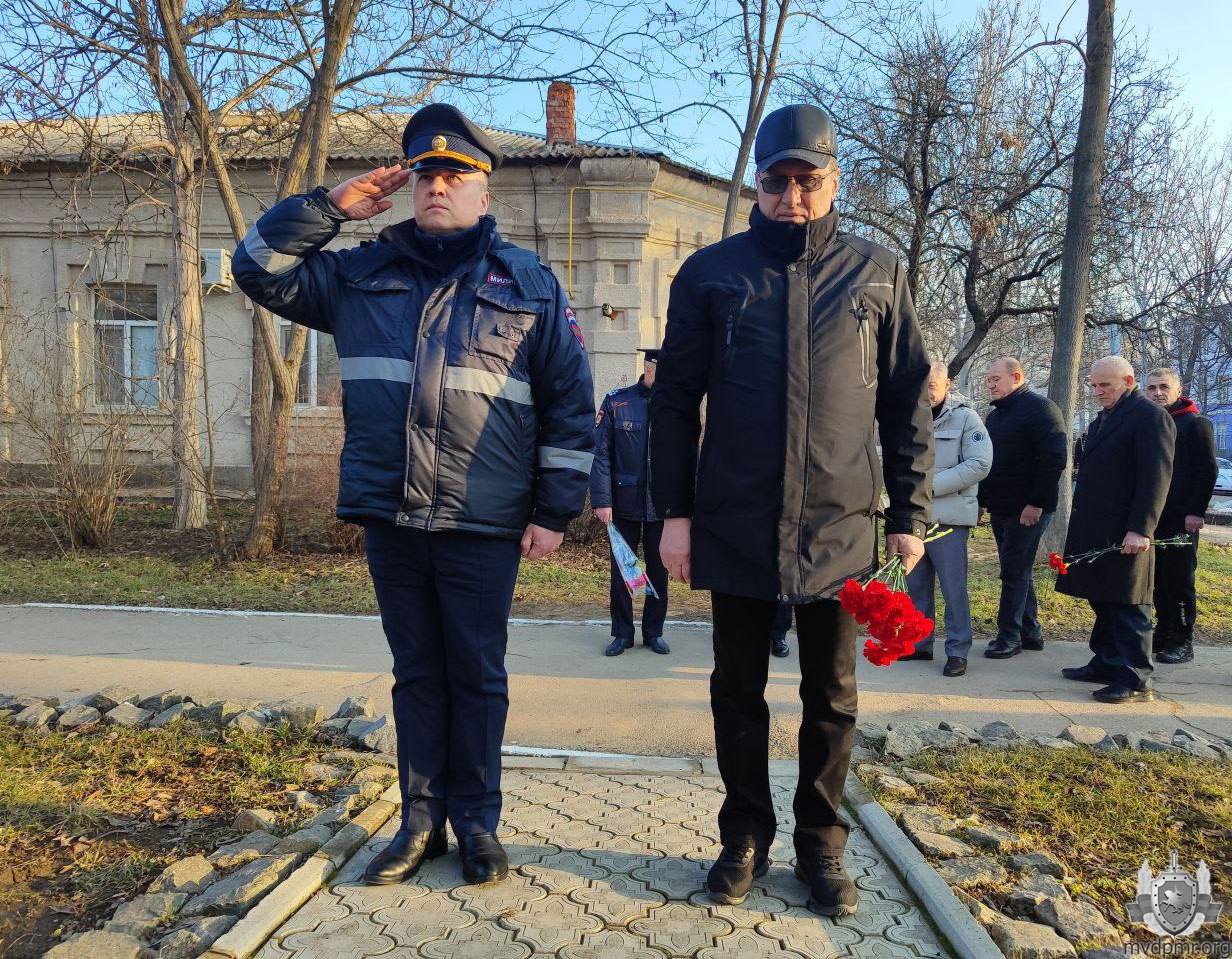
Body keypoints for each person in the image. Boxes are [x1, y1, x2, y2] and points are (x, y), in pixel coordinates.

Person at [232, 103, 595, 887]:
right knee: (417, 673)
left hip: (483, 518)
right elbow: (256, 268)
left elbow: (570, 402)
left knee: (478, 674)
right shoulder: (359, 274)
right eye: (426, 172)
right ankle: (420, 821)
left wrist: (553, 510)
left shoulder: (528, 283)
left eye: (455, 174)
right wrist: (331, 207)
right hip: (392, 513)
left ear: (483, 193)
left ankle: (478, 823)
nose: (437, 185)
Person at [651, 103, 932, 916]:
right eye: (776, 180)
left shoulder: (877, 273)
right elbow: (675, 399)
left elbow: (907, 401)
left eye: (807, 180)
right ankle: (744, 833)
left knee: (832, 695)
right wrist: (674, 513)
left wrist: (909, 514)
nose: (791, 196)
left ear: (834, 181)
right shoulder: (711, 273)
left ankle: (821, 843)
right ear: (758, 183)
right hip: (737, 517)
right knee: (736, 689)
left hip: (841, 523)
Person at [1058, 357, 1175, 704]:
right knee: (1103, 596)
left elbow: (1155, 478)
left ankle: (1136, 678)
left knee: (1129, 602)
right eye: (1094, 385)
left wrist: (1141, 528)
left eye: (1104, 385)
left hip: (1127, 529)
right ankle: (1107, 661)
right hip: (1098, 526)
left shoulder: (1150, 417)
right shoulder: (1105, 417)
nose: (1097, 391)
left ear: (1127, 380)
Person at [904, 361, 992, 677]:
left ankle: (957, 650)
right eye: (922, 386)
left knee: (954, 589)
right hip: (914, 518)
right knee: (916, 587)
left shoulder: (966, 419)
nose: (926, 392)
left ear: (947, 385)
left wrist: (927, 487)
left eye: (931, 386)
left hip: (949, 521)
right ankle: (920, 644)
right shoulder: (910, 416)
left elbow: (979, 464)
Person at [977, 357, 1067, 659]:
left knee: (1014, 571)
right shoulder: (996, 416)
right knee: (1017, 568)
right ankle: (1030, 632)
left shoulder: (1041, 409)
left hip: (1029, 508)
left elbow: (1054, 459)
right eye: (988, 380)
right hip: (1000, 506)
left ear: (1016, 377)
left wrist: (1036, 503)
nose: (990, 385)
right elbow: (988, 462)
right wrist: (981, 501)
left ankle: (1009, 636)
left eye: (995, 379)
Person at [591, 349, 670, 656]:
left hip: (660, 506)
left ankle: (654, 632)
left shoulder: (673, 405)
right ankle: (622, 633)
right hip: (623, 502)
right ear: (649, 369)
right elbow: (600, 454)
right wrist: (602, 500)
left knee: (659, 571)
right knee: (623, 570)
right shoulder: (618, 402)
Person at [1144, 368, 1217, 664]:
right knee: (1157, 579)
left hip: (1181, 517)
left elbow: (1206, 470)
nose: (1158, 393)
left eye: (1164, 387)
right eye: (1151, 388)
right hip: (1153, 517)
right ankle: (1163, 633)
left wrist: (1196, 511)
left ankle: (1182, 640)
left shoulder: (1195, 423)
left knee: (1179, 579)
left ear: (1178, 390)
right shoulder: (1149, 422)